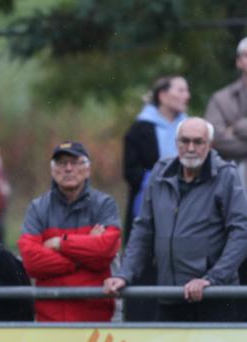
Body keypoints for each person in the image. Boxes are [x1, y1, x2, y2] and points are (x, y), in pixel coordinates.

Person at [105, 117, 247, 322]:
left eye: (198, 142)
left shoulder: (226, 175)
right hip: (170, 296)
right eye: (184, 141)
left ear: (210, 145)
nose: (190, 148)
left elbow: (241, 231)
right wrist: (124, 274)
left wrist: (212, 279)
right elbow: (143, 229)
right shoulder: (160, 172)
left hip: (213, 298)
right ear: (176, 143)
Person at [18, 141, 121, 322]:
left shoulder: (105, 204)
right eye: (61, 163)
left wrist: (60, 243)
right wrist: (83, 252)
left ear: (87, 170)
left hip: (95, 319)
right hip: (49, 320)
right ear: (53, 171)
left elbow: (106, 249)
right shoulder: (37, 208)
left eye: (75, 162)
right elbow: (30, 261)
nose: (68, 169)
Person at [121, 76, 190, 322]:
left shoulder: (190, 129)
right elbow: (130, 172)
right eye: (181, 90)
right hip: (147, 208)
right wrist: (163, 180)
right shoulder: (140, 129)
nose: (187, 96)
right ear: (163, 95)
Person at [205, 36, 247, 187]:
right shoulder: (220, 98)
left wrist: (236, 127)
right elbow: (214, 140)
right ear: (238, 62)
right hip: (229, 180)